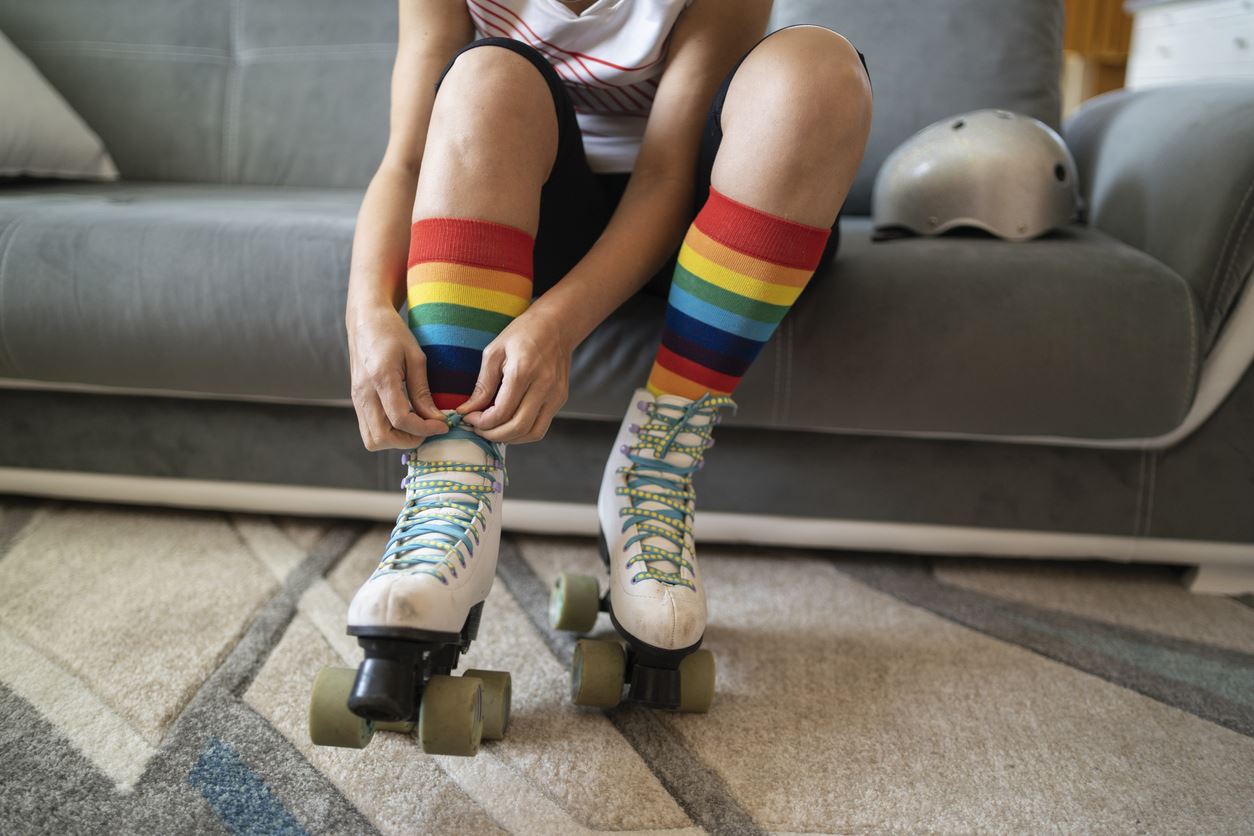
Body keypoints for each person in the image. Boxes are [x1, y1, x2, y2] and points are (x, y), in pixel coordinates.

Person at [337, 0, 872, 734]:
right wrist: (368, 311)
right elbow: (406, 157)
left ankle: (654, 469)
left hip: (711, 223)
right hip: (532, 216)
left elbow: (664, 177)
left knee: (818, 72)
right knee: (485, 76)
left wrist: (559, 324)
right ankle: (452, 479)